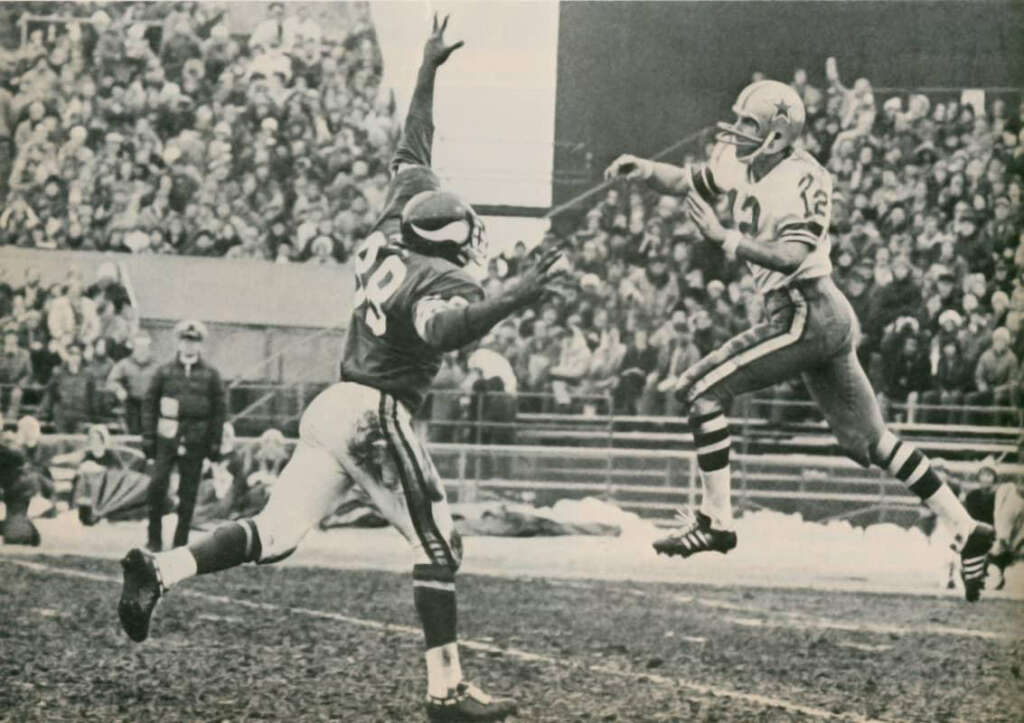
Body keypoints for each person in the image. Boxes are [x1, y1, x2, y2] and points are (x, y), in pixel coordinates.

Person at [118, 19, 563, 722]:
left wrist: (426, 70)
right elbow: (449, 327)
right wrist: (516, 293)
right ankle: (445, 692)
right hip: (375, 414)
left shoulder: (395, 225)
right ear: (450, 240)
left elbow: (412, 142)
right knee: (440, 544)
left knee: (276, 531)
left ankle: (162, 567)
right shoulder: (436, 281)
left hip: (334, 405)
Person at [604, 78, 994, 601]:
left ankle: (716, 520)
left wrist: (728, 239)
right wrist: (648, 170)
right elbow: (693, 181)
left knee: (700, 392)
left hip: (806, 308)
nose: (738, 132)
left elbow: (792, 254)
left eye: (750, 124)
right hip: (817, 316)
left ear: (780, 134)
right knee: (871, 442)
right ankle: (968, 528)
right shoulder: (740, 159)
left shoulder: (805, 178)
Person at [140, 319, 225, 551]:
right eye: (185, 340)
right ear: (178, 342)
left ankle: (181, 542)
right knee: (157, 485)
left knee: (188, 491)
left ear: (200, 345)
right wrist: (148, 438)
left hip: (196, 438)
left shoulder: (211, 375)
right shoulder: (164, 372)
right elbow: (149, 405)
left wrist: (214, 444)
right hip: (167, 437)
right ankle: (154, 538)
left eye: (194, 341)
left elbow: (219, 412)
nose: (189, 346)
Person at [107, 332, 158, 433]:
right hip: (132, 406)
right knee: (133, 433)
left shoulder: (156, 366)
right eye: (138, 347)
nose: (141, 350)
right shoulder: (124, 364)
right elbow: (111, 381)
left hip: (151, 406)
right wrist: (119, 389)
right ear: (133, 348)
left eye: (144, 347)